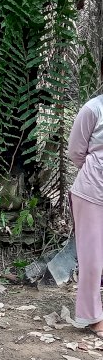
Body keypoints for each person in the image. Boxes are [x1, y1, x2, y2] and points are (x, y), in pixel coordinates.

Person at [68, 57, 103, 338]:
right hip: (91, 192)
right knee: (92, 259)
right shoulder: (92, 108)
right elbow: (76, 152)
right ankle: (93, 318)